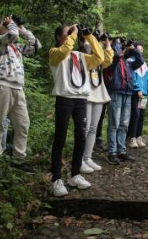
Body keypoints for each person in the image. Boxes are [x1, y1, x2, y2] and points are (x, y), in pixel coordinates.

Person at [49, 24, 105, 197]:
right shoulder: (54, 53)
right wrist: (73, 35)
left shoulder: (80, 56)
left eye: (73, 32)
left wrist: (89, 36)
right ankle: (56, 179)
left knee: (81, 136)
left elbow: (99, 57)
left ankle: (75, 174)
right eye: (67, 32)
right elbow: (65, 50)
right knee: (60, 137)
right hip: (64, 98)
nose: (73, 34)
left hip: (81, 99)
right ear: (59, 37)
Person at [0, 15, 41, 174]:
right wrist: (11, 25)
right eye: (3, 24)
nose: (8, 25)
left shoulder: (15, 46)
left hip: (18, 87)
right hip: (2, 84)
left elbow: (36, 46)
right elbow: (12, 35)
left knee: (23, 124)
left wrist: (23, 29)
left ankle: (18, 159)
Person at [78, 34, 114, 172]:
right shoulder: (81, 56)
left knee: (93, 127)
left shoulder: (98, 59)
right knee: (85, 128)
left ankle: (88, 158)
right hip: (86, 93)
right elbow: (87, 51)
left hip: (98, 92)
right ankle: (80, 159)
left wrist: (107, 43)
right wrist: (87, 41)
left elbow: (108, 60)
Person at [106, 39, 144, 165]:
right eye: (119, 45)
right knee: (114, 123)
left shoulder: (128, 63)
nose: (122, 47)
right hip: (116, 92)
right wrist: (119, 48)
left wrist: (132, 49)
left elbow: (140, 61)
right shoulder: (111, 61)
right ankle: (112, 152)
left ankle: (121, 150)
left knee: (124, 124)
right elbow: (115, 59)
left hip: (128, 93)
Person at [127, 42, 148, 149]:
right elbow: (132, 77)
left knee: (141, 115)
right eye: (138, 49)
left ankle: (138, 136)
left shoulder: (144, 64)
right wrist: (137, 89)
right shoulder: (131, 61)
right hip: (135, 93)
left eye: (142, 49)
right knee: (135, 114)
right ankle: (132, 138)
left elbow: (147, 78)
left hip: (144, 94)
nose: (140, 51)